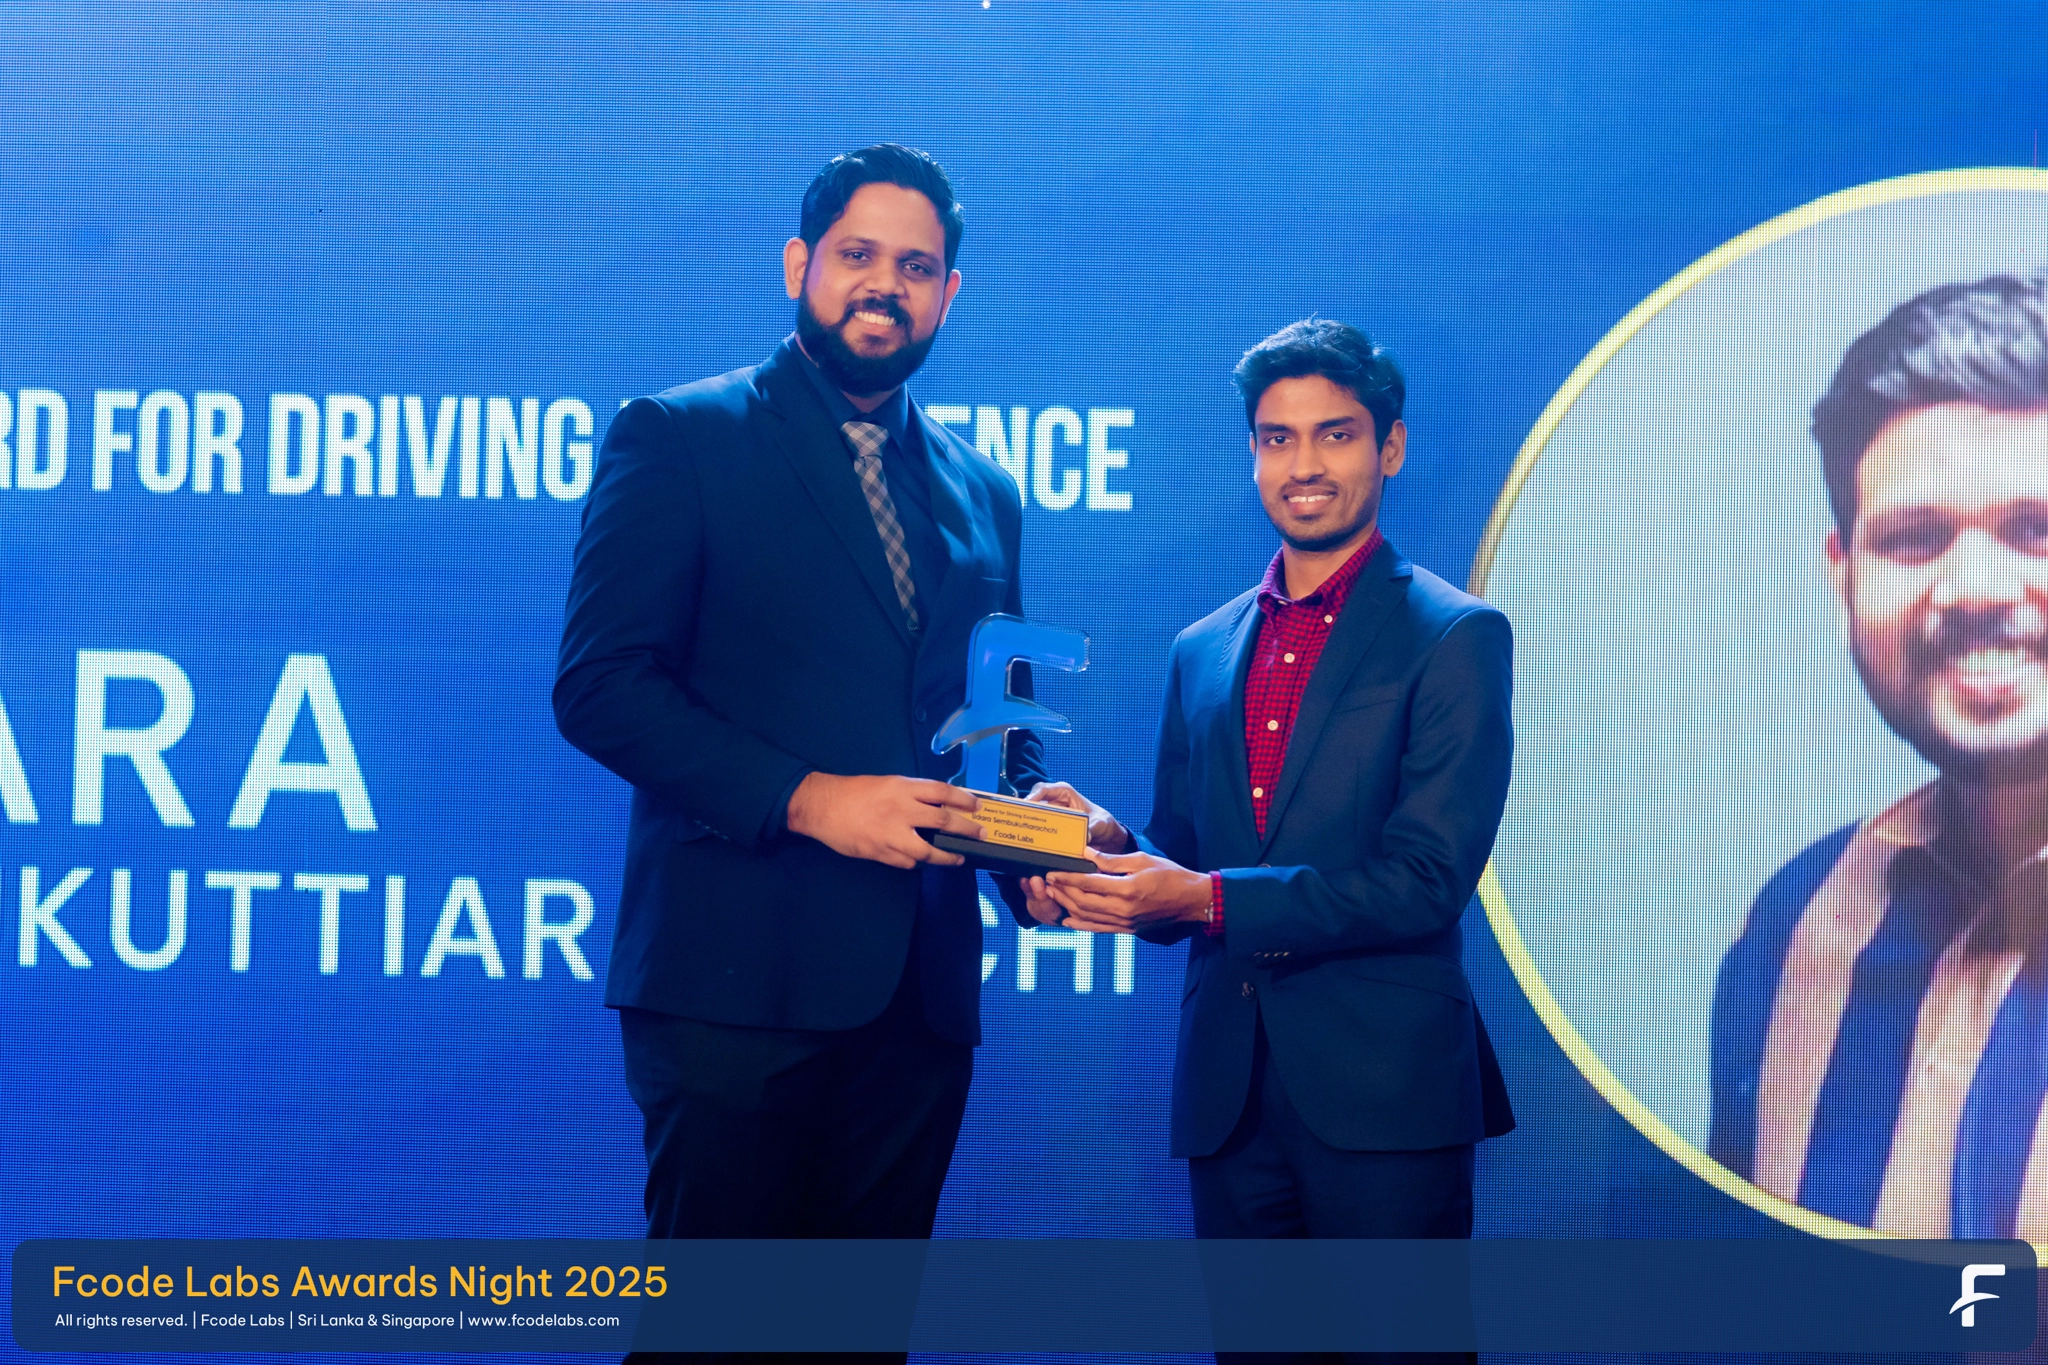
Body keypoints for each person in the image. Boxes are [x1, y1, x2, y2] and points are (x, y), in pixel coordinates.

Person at [553, 144, 1043, 1358]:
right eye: (856, 255)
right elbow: (601, 687)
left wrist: (1037, 830)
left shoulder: (985, 491)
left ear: (948, 295)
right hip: (735, 991)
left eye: (915, 267)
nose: (884, 285)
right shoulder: (680, 436)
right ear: (798, 265)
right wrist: (809, 798)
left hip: (917, 1005)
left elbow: (994, 725)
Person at [1029, 317, 1515, 1365]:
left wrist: (1201, 898)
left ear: (1389, 446)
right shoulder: (1201, 649)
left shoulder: (1455, 635)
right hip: (1230, 1096)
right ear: (1251, 452)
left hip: (1385, 1097)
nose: (1303, 465)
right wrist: (1100, 846)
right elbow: (1183, 852)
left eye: (1335, 435)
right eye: (1276, 438)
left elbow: (1425, 881)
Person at [1711, 274, 2048, 1241]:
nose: (1975, 589)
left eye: (2037, 528)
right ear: (1845, 576)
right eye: (1914, 538)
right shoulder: (1797, 924)